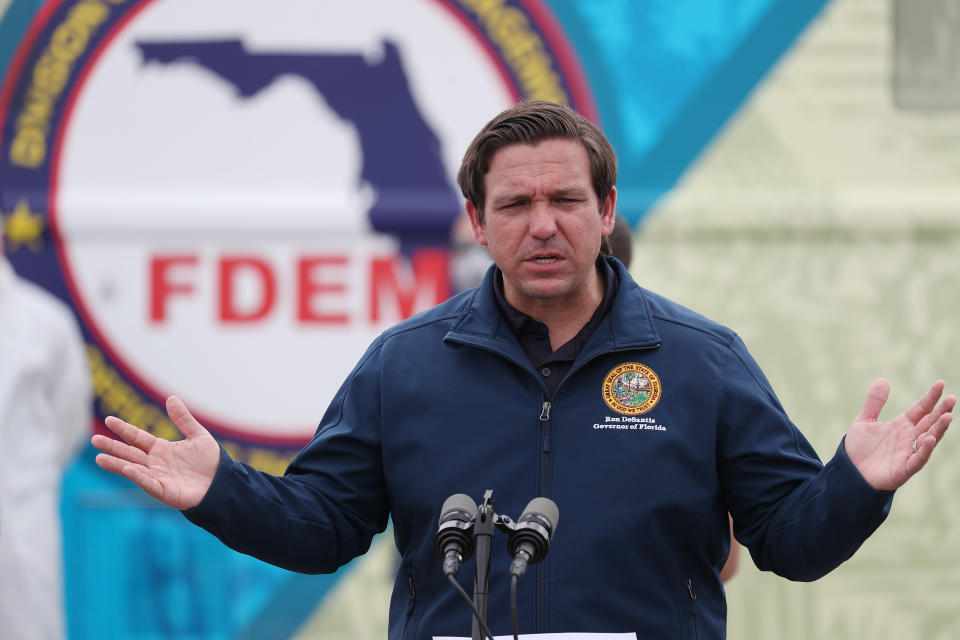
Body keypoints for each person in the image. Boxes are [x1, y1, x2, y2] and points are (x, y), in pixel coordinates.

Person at [92, 101, 954, 639]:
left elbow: (792, 543)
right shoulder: (405, 365)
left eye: (566, 201)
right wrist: (221, 491)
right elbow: (323, 527)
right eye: (516, 204)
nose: (543, 225)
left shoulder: (703, 361)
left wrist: (856, 483)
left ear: (605, 209)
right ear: (478, 219)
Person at [0, 231, 92, 639]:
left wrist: (26, 475)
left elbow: (70, 417)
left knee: (27, 624)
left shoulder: (44, 321)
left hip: (20, 510)